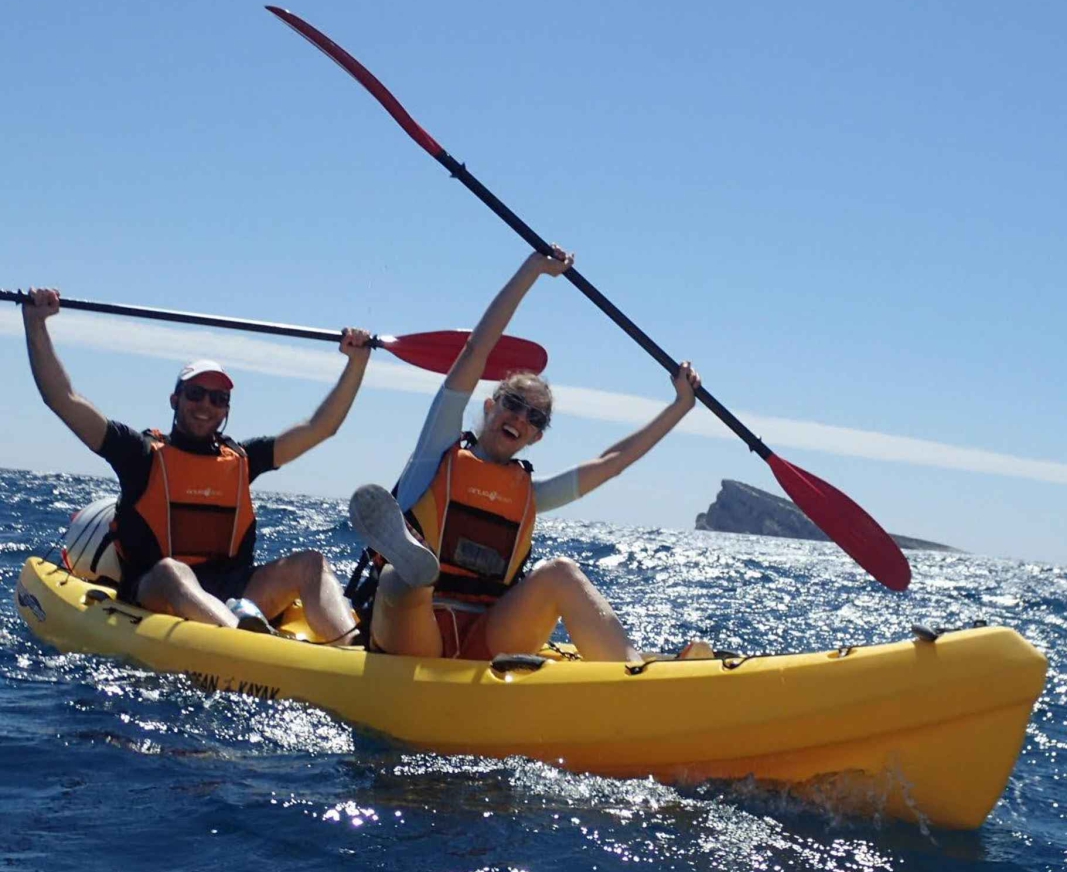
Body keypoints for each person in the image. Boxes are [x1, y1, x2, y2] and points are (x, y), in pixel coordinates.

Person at [350, 247, 709, 665]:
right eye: (514, 403)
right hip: (414, 634)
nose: (520, 417)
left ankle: (632, 671)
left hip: (485, 639)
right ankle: (413, 565)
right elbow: (474, 352)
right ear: (490, 406)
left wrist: (681, 406)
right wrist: (533, 269)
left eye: (534, 416)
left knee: (560, 573)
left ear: (536, 437)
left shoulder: (531, 496)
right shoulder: (437, 454)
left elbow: (613, 463)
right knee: (402, 583)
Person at [22, 287, 371, 644]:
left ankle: (351, 648)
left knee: (311, 563)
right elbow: (62, 399)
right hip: (159, 591)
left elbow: (320, 428)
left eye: (218, 398)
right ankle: (245, 639)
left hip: (234, 591)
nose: (206, 404)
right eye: (195, 393)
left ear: (226, 409)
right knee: (175, 572)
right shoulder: (140, 453)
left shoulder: (243, 459)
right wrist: (36, 323)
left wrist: (356, 363)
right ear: (175, 400)